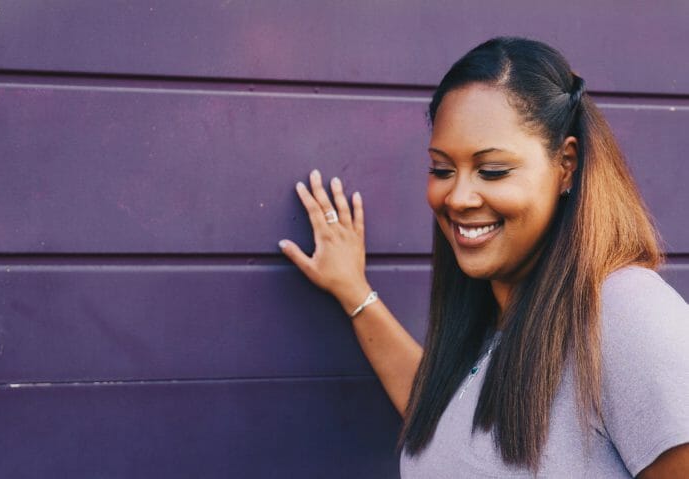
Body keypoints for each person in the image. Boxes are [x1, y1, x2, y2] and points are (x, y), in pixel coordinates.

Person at [277, 37, 689, 477]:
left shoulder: (626, 313)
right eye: (442, 169)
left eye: (492, 170)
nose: (458, 196)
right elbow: (447, 427)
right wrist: (353, 291)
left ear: (566, 164)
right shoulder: (499, 312)